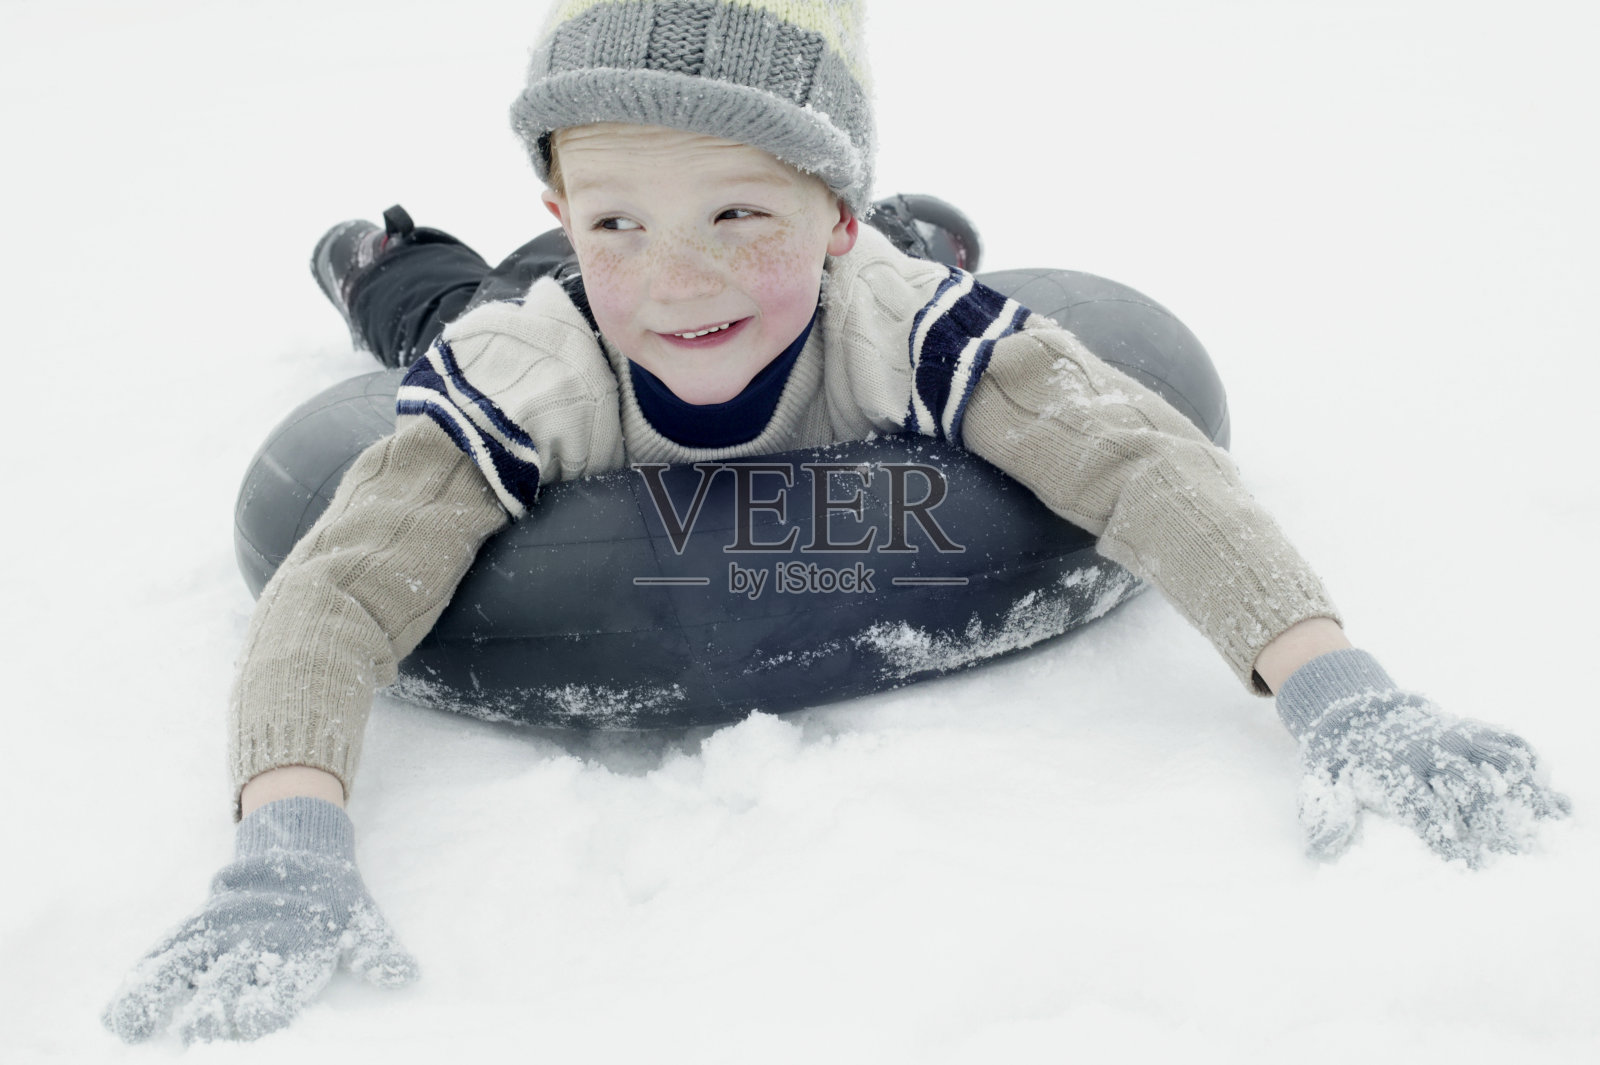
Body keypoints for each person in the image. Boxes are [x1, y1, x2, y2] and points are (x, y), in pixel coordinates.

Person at [101, 0, 1568, 1045]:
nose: (678, 281)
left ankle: (900, 218)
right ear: (561, 193)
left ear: (832, 220)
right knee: (451, 312)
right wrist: (286, 838)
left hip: (868, 263)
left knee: (883, 270)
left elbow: (1132, 456)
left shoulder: (890, 318)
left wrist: (1337, 689)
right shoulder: (543, 357)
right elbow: (340, 582)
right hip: (510, 310)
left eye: (742, 215)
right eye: (616, 219)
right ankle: (386, 262)